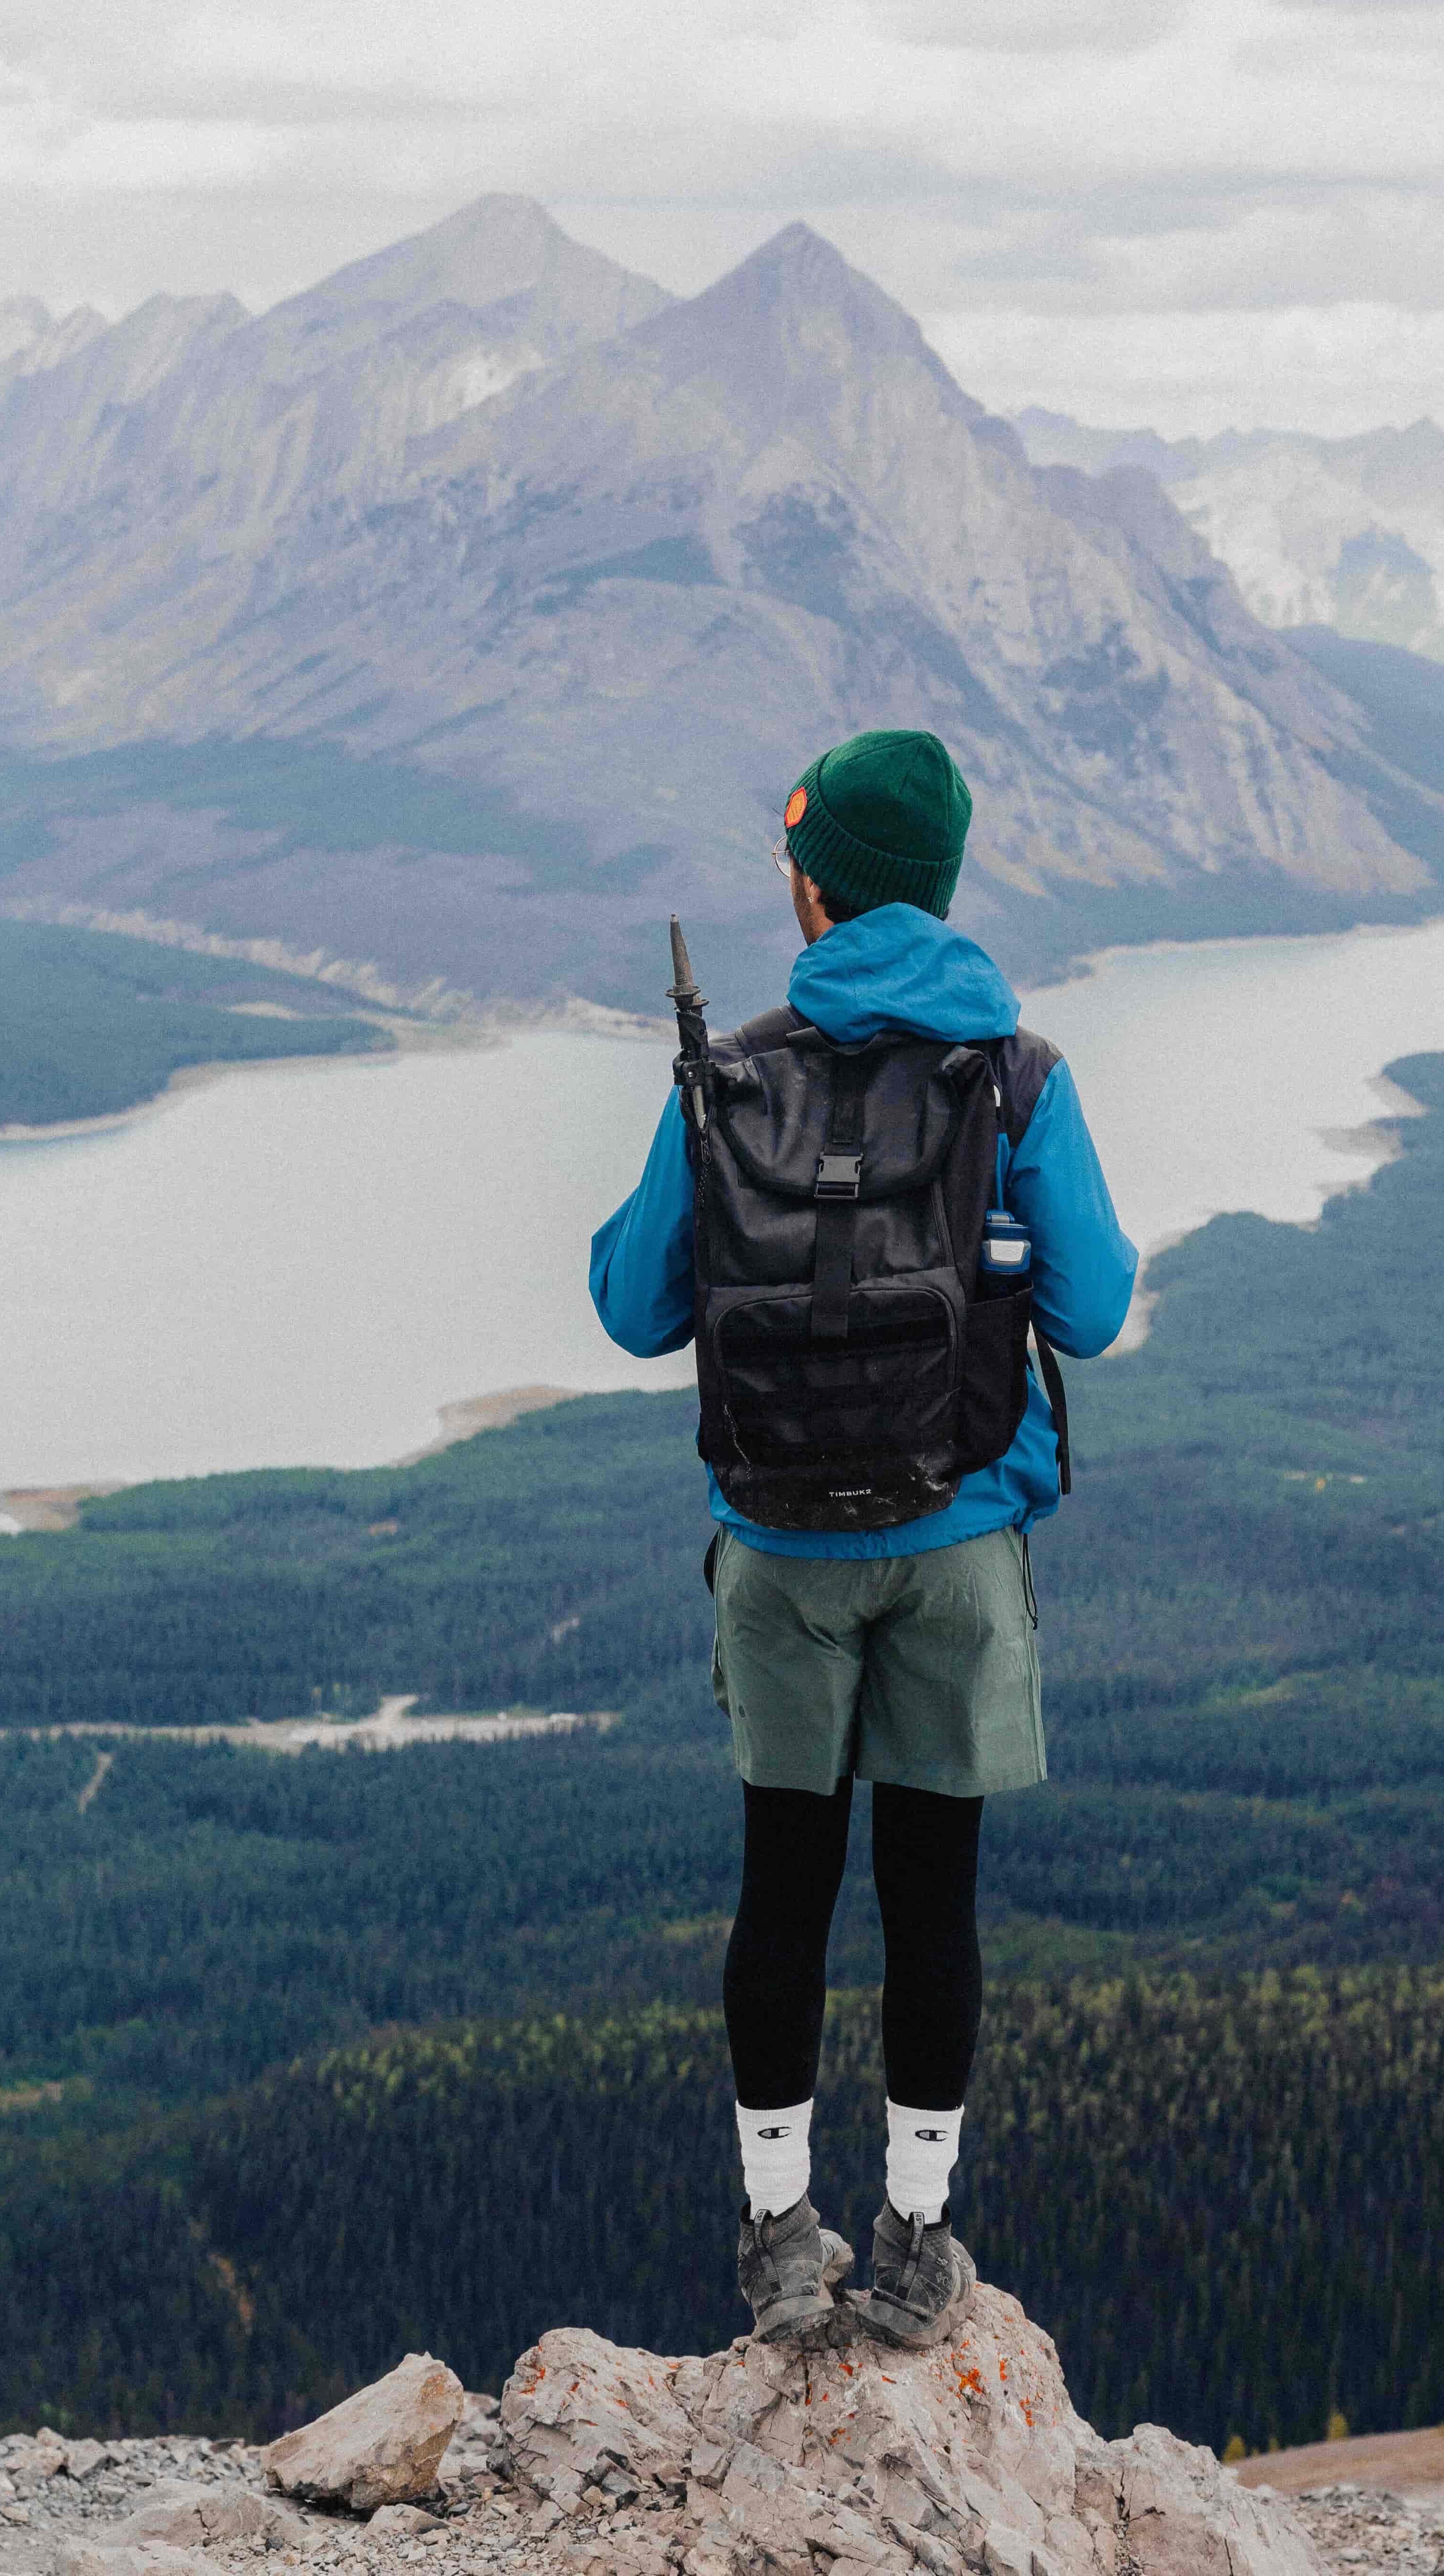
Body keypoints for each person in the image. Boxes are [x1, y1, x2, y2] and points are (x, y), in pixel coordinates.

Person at [589, 727, 1137, 2348]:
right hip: (960, 1537)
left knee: (784, 1891)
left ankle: (776, 2239)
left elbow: (635, 1307)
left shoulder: (734, 1070)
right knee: (933, 1897)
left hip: (776, 1552)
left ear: (815, 885)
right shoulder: (1019, 1078)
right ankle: (913, 2245)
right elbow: (1094, 1311)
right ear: (946, 882)